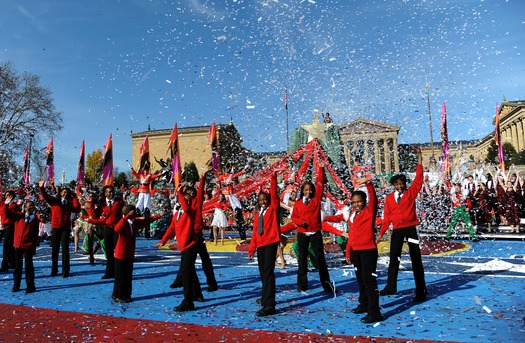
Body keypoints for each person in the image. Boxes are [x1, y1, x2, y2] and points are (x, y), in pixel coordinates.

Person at [325, 178, 383, 323]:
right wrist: (349, 252)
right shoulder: (352, 215)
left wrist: (368, 184)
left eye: (359, 201)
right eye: (354, 202)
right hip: (356, 251)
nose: (357, 204)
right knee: (361, 280)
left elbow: (374, 198)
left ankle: (375, 312)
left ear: (364, 202)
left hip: (368, 251)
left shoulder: (369, 212)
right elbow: (352, 234)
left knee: (370, 282)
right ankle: (363, 305)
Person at [376, 146, 428, 303]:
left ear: (405, 183)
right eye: (397, 184)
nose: (399, 186)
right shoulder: (389, 198)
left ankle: (421, 290)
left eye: (402, 183)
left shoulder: (411, 192)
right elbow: (387, 218)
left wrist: (419, 157)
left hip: (411, 229)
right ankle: (391, 286)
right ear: (393, 185)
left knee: (416, 259)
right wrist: (380, 234)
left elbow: (419, 178)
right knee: (394, 258)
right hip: (397, 230)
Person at [289, 159, 336, 294]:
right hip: (303, 233)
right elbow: (294, 217)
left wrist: (321, 169)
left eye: (310, 190)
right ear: (302, 191)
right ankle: (302, 284)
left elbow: (320, 185)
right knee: (302, 260)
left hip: (315, 233)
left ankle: (326, 285)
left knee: (320, 258)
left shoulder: (316, 200)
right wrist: (300, 222)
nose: (308, 192)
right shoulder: (297, 203)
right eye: (306, 190)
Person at [155, 184, 204, 312]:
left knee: (187, 273)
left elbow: (187, 206)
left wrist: (179, 193)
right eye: (185, 200)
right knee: (190, 271)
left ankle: (188, 301)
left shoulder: (190, 212)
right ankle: (197, 294)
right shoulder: (178, 213)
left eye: (189, 201)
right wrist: (163, 241)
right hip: (184, 246)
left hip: (190, 245)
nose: (187, 202)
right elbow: (172, 227)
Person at [169, 168, 218, 292]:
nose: (190, 194)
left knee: (204, 260)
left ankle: (212, 283)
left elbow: (200, 191)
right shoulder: (184, 207)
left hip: (197, 235)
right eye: (188, 193)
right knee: (185, 260)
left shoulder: (197, 203)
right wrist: (179, 190)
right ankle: (180, 280)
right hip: (189, 236)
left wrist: (202, 178)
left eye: (192, 193)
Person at [248, 169, 282, 317]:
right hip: (261, 245)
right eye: (260, 200)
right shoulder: (258, 214)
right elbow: (255, 232)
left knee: (268, 274)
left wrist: (273, 178)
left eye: (265, 199)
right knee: (263, 273)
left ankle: (269, 305)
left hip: (270, 244)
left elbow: (274, 194)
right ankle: (265, 297)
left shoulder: (273, 209)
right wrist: (251, 249)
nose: (263, 202)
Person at [112, 204, 162, 303]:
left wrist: (158, 215)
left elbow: (147, 221)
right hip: (121, 254)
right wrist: (126, 217)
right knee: (120, 276)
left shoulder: (134, 222)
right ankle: (117, 294)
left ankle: (126, 294)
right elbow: (117, 229)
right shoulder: (124, 222)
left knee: (128, 276)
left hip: (129, 253)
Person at [39, 181, 81, 278]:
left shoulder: (70, 204)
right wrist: (41, 188)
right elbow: (45, 196)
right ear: (60, 193)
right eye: (64, 192)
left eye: (67, 193)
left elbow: (77, 209)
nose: (65, 194)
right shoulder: (54, 201)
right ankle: (54, 269)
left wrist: (75, 197)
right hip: (56, 227)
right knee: (55, 249)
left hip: (65, 228)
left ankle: (65, 270)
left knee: (65, 250)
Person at [85, 186, 125, 279]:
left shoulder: (119, 201)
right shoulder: (102, 204)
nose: (110, 193)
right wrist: (91, 203)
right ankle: (109, 272)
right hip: (107, 228)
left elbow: (125, 212)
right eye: (108, 192)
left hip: (117, 228)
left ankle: (119, 272)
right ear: (105, 193)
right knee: (109, 251)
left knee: (118, 251)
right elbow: (95, 215)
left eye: (112, 192)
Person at [0, 199, 40, 293]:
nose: (30, 207)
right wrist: (5, 205)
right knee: (18, 267)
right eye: (28, 205)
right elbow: (7, 214)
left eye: (32, 205)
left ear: (34, 208)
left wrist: (34, 247)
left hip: (28, 246)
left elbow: (35, 234)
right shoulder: (19, 216)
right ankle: (16, 285)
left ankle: (30, 286)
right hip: (18, 245)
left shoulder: (35, 220)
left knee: (29, 266)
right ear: (24, 207)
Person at [0, 190, 20, 272]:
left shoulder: (14, 206)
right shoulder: (4, 204)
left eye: (9, 195)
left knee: (7, 246)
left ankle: (5, 264)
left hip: (10, 226)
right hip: (5, 226)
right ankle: (12, 262)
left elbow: (7, 214)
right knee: (10, 246)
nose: (7, 196)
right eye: (6, 195)